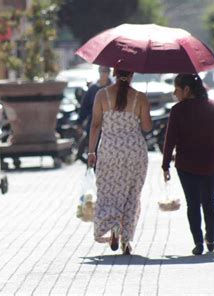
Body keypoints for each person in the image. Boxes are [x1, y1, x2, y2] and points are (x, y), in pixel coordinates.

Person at [162, 74, 214, 256]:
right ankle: (210, 238)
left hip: (186, 165)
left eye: (177, 89)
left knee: (192, 204)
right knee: (209, 202)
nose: (174, 93)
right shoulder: (213, 107)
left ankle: (198, 243)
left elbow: (169, 141)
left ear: (187, 90)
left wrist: (165, 166)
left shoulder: (177, 111)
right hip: (211, 163)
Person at [88, 69, 152, 255]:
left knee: (108, 192)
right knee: (132, 194)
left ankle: (113, 225)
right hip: (134, 152)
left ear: (114, 73)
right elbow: (147, 127)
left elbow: (95, 124)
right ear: (132, 75)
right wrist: (143, 109)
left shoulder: (102, 94)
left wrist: (91, 151)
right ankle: (126, 241)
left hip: (109, 151)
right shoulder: (139, 97)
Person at [77, 66, 112, 136]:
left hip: (110, 125)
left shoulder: (113, 88)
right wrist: (79, 123)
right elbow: (84, 106)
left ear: (109, 73)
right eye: (101, 71)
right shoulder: (93, 89)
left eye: (105, 71)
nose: (103, 74)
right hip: (94, 123)